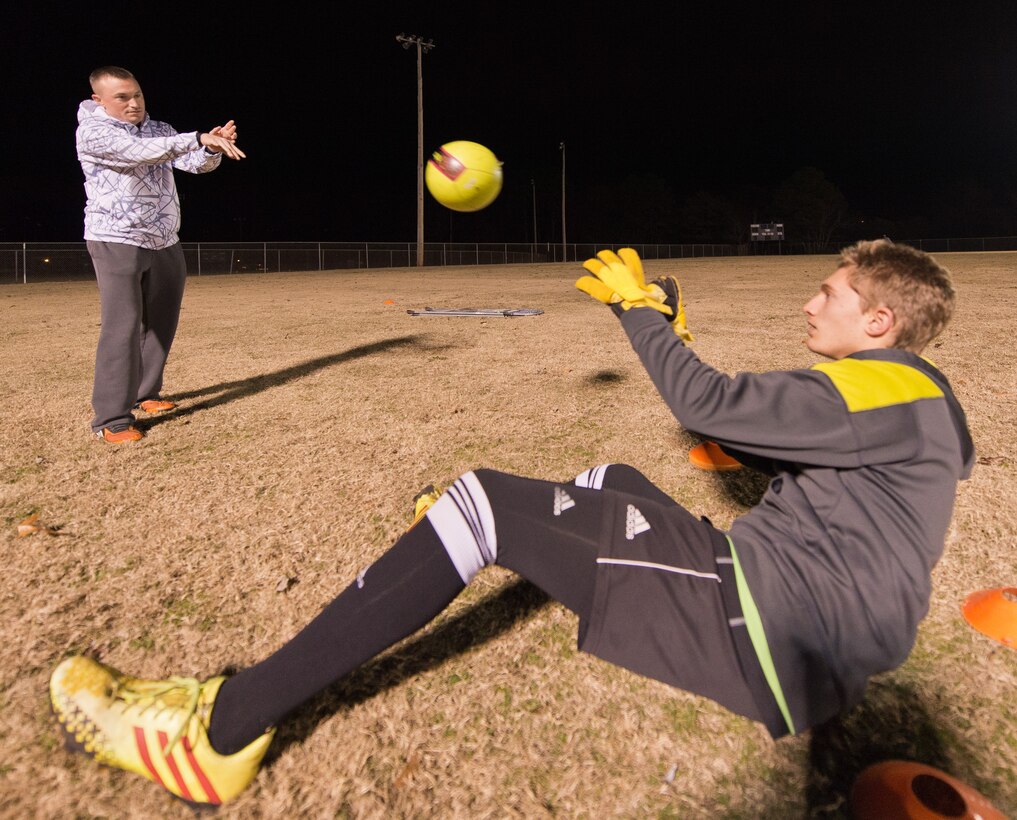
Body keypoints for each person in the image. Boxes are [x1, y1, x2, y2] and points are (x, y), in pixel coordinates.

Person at [49, 240, 973, 805]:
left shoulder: (876, 385)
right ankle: (453, 549)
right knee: (608, 477)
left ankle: (212, 737)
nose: (810, 303)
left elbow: (716, 407)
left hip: (769, 632)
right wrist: (674, 340)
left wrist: (640, 319)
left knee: (485, 498)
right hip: (813, 638)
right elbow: (754, 444)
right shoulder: (920, 407)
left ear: (880, 318)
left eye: (830, 294)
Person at [77, 66, 246, 443]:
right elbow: (135, 153)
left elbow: (191, 163)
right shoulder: (93, 131)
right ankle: (112, 418)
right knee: (122, 326)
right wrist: (195, 137)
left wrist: (209, 147)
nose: (134, 103)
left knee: (161, 322)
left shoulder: (160, 129)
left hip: (165, 239)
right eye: (122, 97)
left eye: (137, 94)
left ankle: (146, 394)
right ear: (98, 101)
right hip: (116, 237)